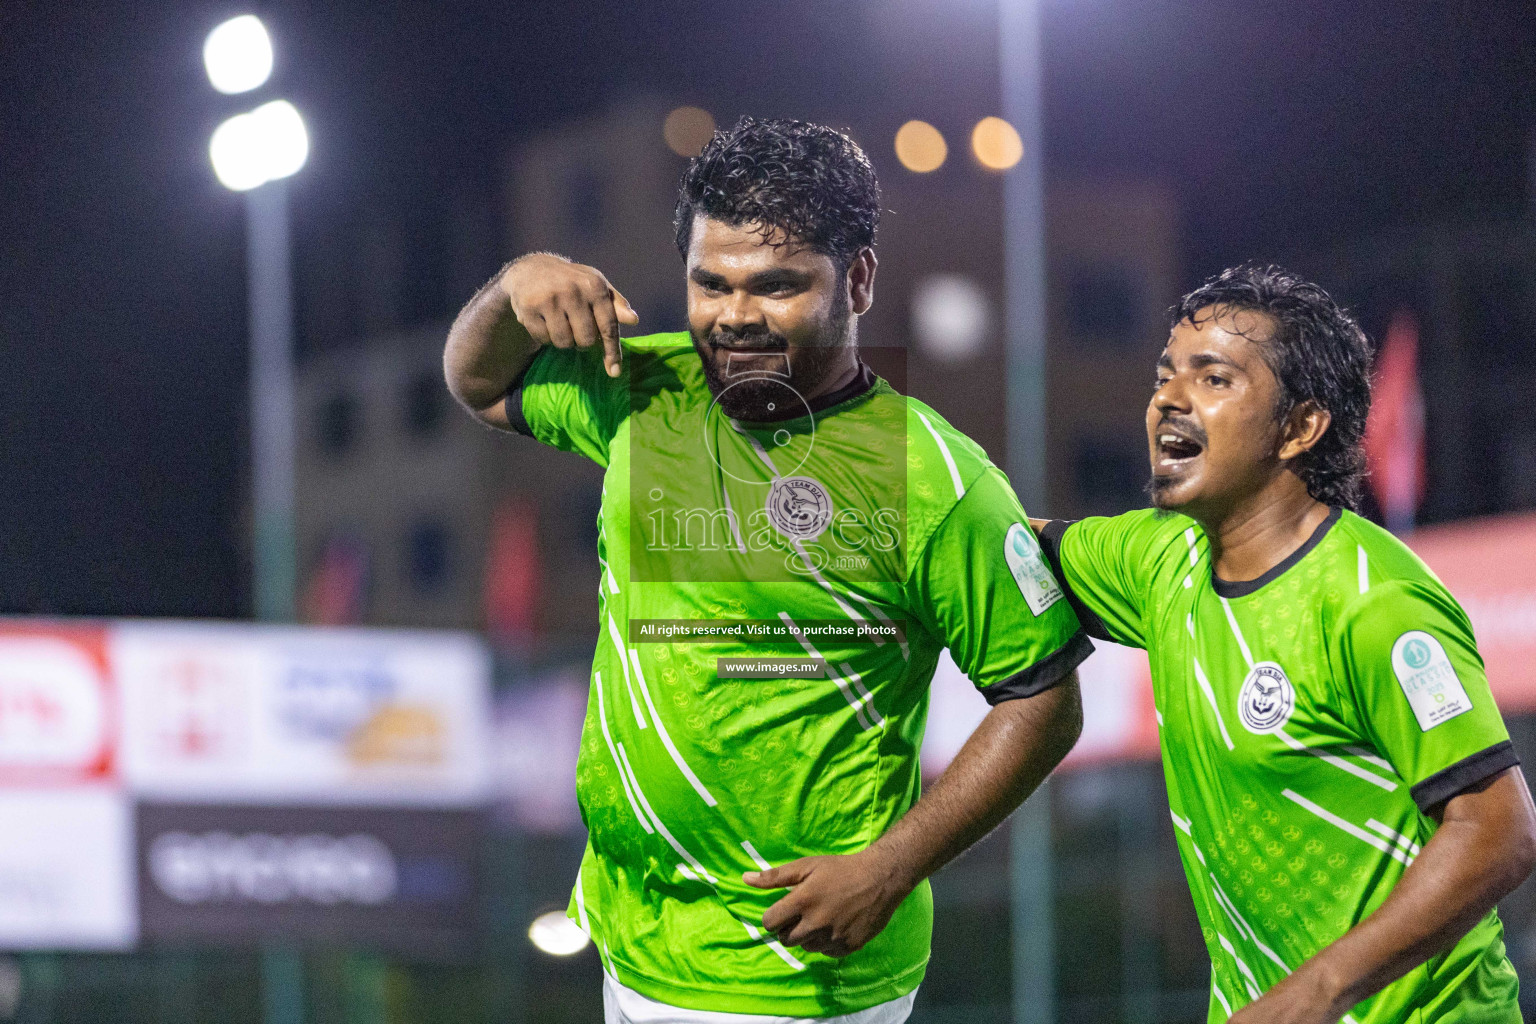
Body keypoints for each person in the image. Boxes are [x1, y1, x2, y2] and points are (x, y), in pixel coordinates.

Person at [444, 117, 1092, 1023]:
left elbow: (1045, 701)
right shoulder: (649, 392)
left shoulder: (934, 479)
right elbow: (477, 383)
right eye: (710, 283)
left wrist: (889, 868)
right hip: (634, 942)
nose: (734, 314)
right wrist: (513, 288)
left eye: (777, 285)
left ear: (858, 279)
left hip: (795, 981)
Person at [1034, 264, 1536, 1023]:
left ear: (1300, 427)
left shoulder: (1376, 602)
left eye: (1214, 379)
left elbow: (1498, 831)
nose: (1169, 398)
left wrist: (1314, 994)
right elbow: (1003, 541)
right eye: (1165, 375)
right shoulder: (1160, 559)